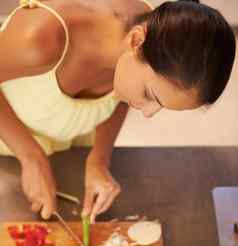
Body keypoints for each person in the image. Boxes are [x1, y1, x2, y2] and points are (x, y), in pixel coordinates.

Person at [0, 0, 235, 222]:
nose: (148, 113)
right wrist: (31, 157)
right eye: (150, 96)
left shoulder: (155, 31)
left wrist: (99, 159)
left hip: (65, 135)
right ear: (135, 41)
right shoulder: (39, 39)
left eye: (160, 105)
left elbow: (119, 98)